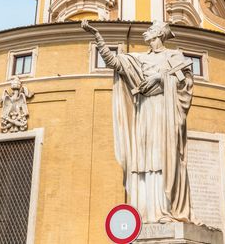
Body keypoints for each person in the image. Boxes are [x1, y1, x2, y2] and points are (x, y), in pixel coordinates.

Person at [81, 19, 194, 223]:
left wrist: (159, 78)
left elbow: (185, 82)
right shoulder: (139, 58)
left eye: (150, 30)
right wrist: (97, 36)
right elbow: (114, 63)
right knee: (144, 159)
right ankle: (146, 210)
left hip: (164, 110)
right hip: (144, 111)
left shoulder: (173, 56)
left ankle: (165, 209)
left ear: (158, 34)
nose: (145, 32)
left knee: (162, 156)